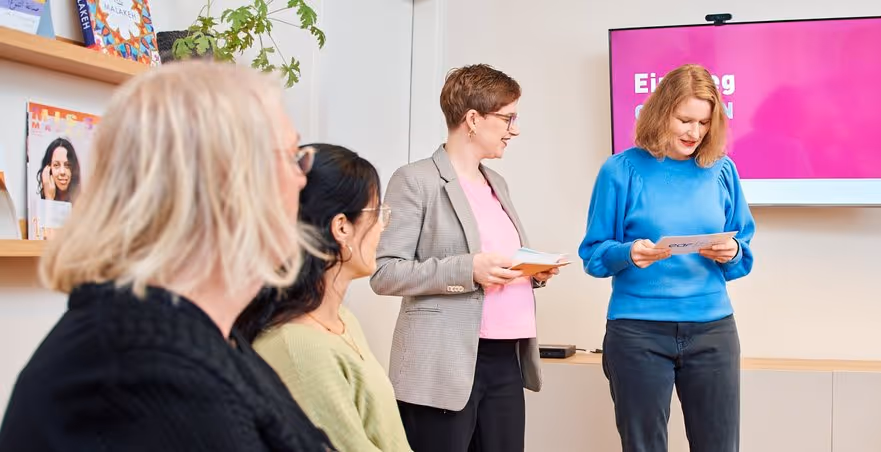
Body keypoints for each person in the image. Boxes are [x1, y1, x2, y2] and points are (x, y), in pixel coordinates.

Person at [0, 61, 334, 451]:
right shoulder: (147, 371)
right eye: (292, 157)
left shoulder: (198, 336)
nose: (303, 178)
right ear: (224, 184)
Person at [370, 63, 558, 452]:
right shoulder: (415, 180)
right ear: (472, 119)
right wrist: (468, 269)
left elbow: (499, 261)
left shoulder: (497, 183)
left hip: (506, 359)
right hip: (442, 364)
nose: (514, 130)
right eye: (508, 118)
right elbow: (384, 272)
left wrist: (532, 272)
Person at [578, 63, 756, 452]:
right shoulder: (620, 170)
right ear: (661, 113)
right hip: (637, 332)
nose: (695, 132)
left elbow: (743, 251)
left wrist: (732, 251)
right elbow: (593, 255)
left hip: (713, 332)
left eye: (704, 122)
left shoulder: (722, 170)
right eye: (685, 120)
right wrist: (628, 253)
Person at [236, 144, 410, 452]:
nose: (383, 225)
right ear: (341, 227)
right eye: (376, 213)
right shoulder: (298, 348)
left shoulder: (343, 319)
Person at [38, 137, 81, 202]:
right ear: (48, 169)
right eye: (56, 165)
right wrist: (49, 197)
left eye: (67, 165)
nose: (62, 172)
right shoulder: (40, 200)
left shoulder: (82, 200)